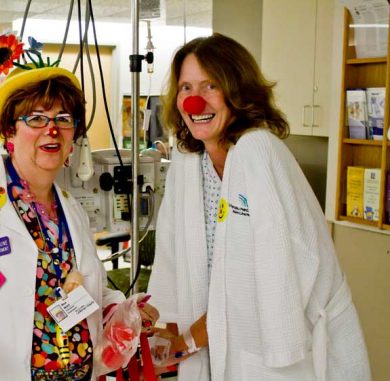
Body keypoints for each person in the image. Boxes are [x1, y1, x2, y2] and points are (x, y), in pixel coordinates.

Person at [0, 65, 159, 380]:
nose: (51, 130)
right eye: (36, 118)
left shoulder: (70, 208)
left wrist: (123, 312)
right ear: (10, 131)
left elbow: (87, 288)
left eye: (63, 120)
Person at [146, 33, 371, 380]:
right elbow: (174, 258)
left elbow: (252, 280)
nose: (194, 102)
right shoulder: (189, 162)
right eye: (186, 88)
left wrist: (184, 342)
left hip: (275, 346)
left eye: (209, 87)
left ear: (237, 91)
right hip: (213, 343)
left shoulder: (257, 151)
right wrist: (167, 331)